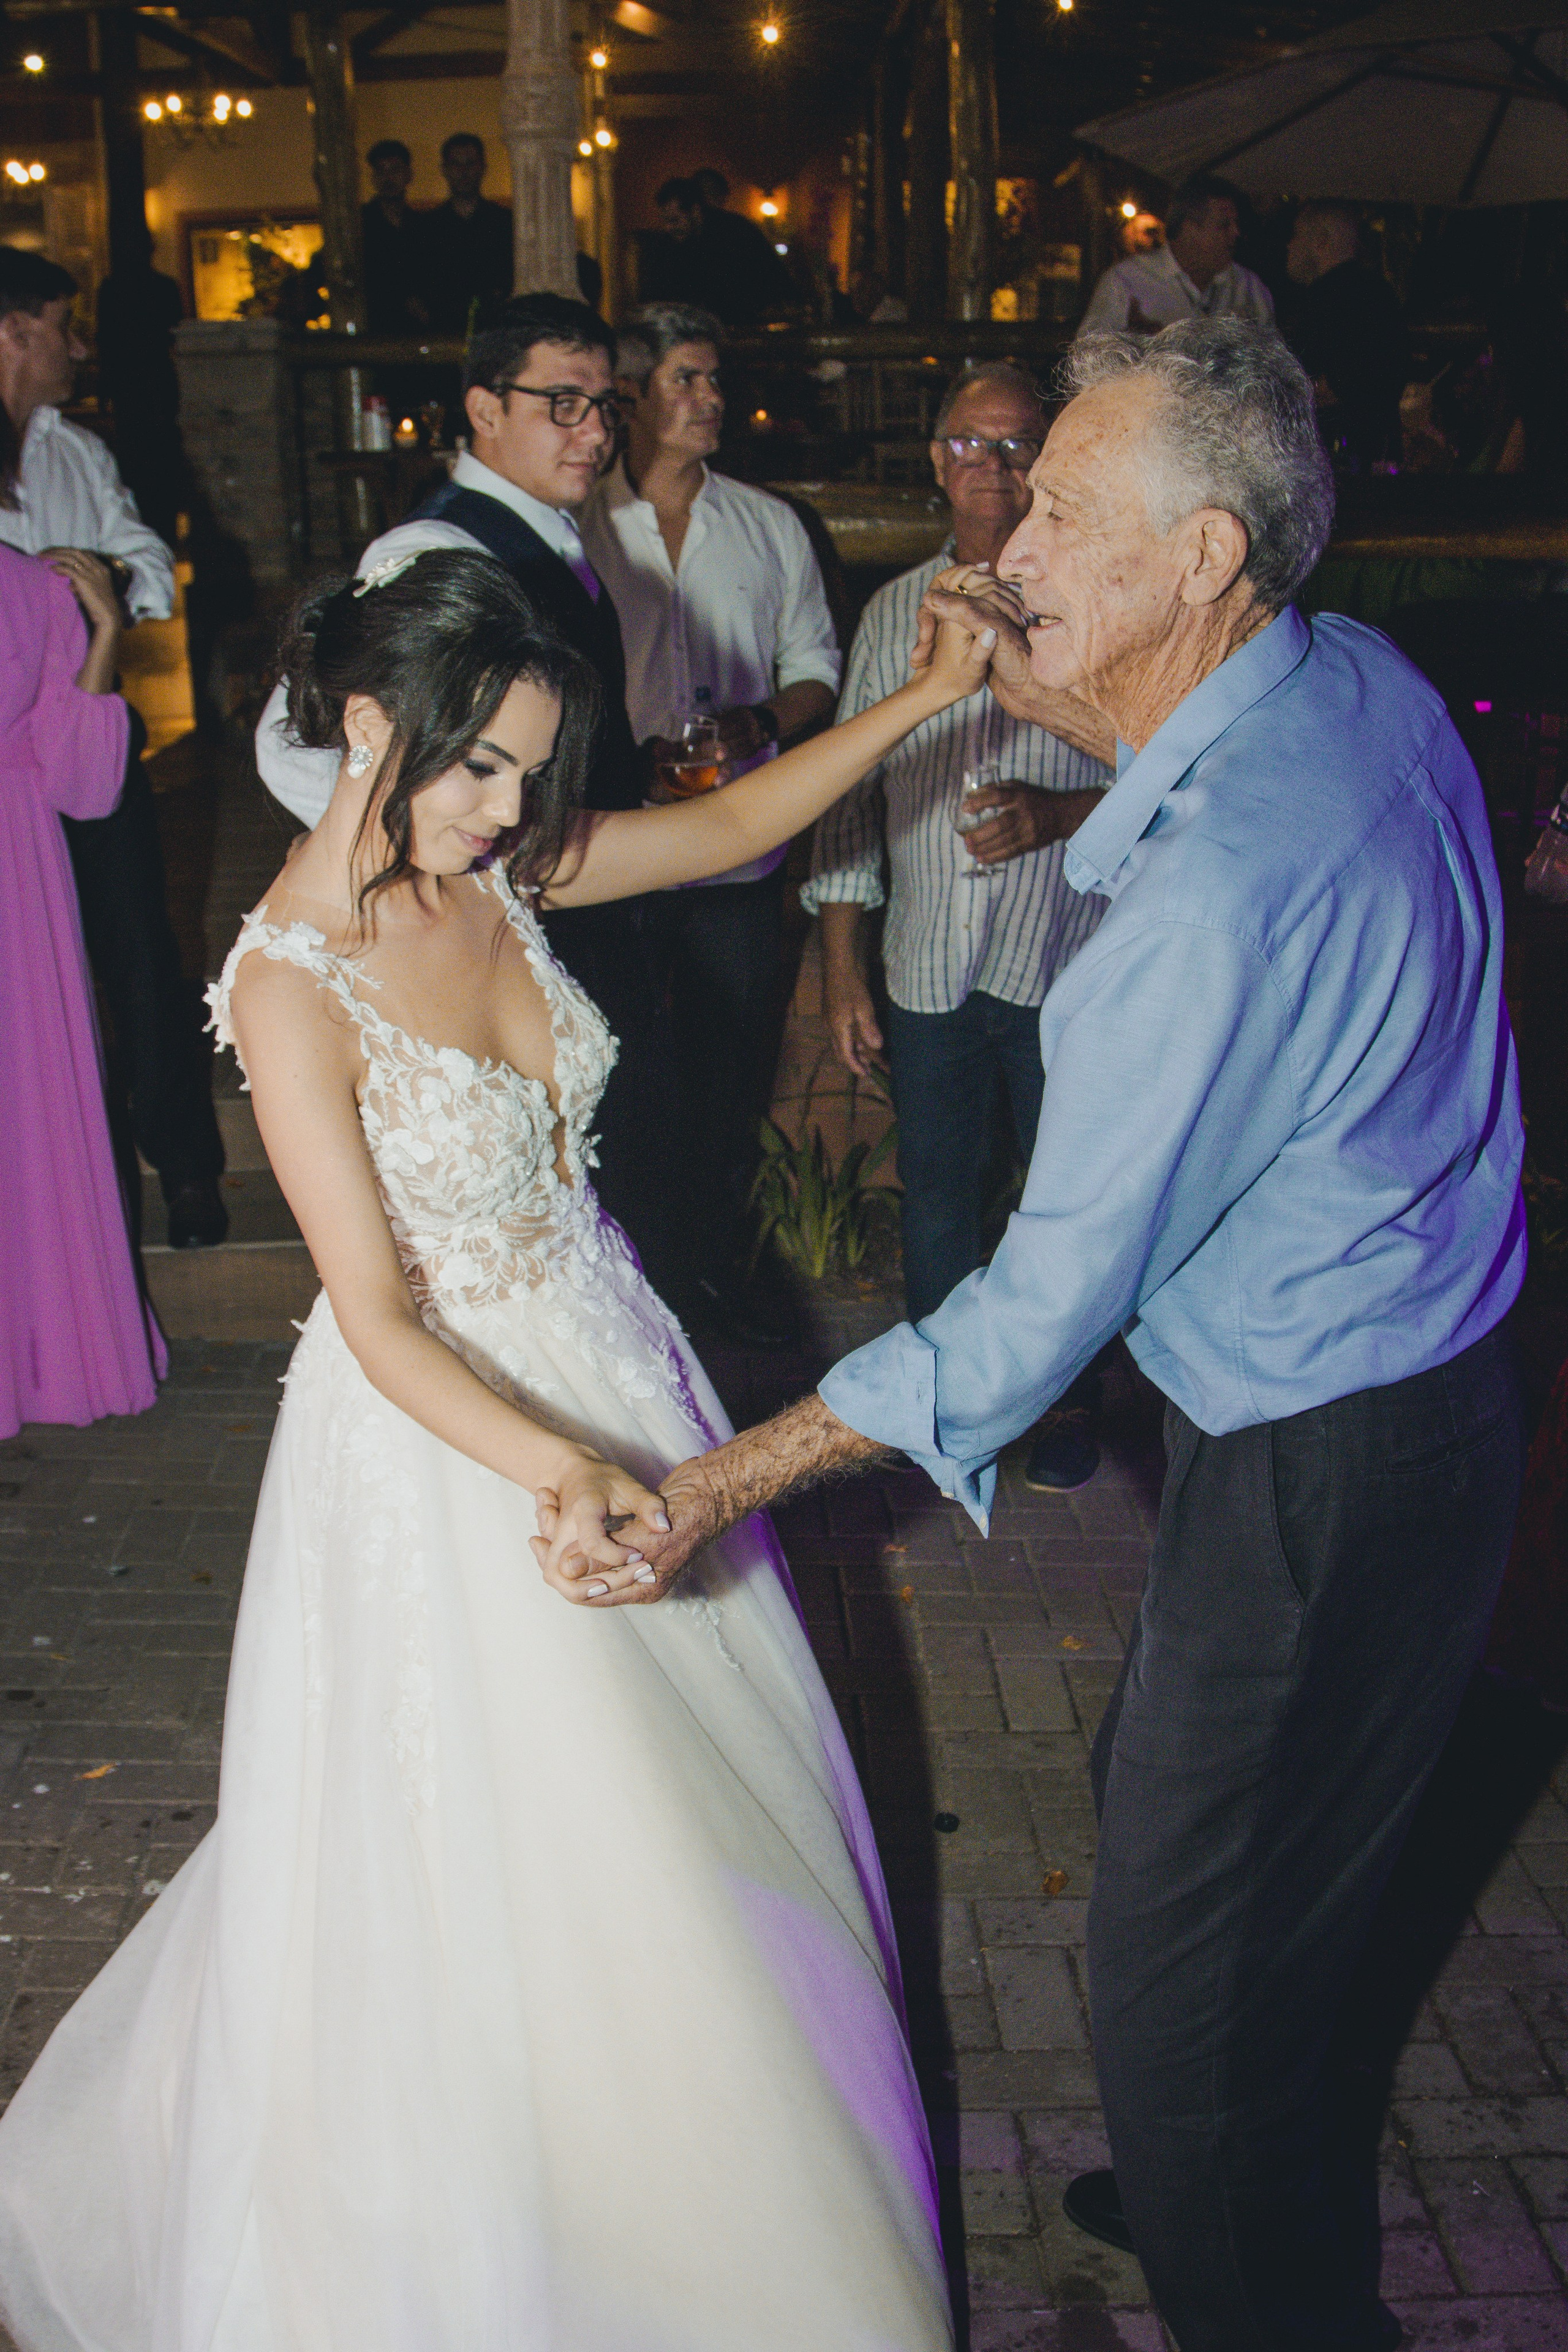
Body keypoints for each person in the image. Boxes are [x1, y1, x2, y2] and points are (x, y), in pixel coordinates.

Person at [577, 320, 1528, 2352]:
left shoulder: (1202, 915)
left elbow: (1017, 1325)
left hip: (1330, 1468)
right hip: (1430, 1392)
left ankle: (1231, 2204)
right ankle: (1243, 2132)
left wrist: (722, 1480)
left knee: (1176, 2017)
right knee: (1180, 1802)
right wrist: (1050, 697)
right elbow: (1211, 780)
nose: (1007, 538)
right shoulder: (1353, 679)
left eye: (1066, 505)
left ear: (1203, 555)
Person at [0, 543, 992, 2348]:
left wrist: (921, 697)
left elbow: (729, 824)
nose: (509, 808)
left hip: (621, 1359)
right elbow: (375, 1315)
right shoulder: (290, 980)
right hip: (450, 1445)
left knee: (690, 1823)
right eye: (478, 764)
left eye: (531, 770)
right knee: (506, 1853)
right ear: (366, 720)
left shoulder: (503, 864)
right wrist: (557, 1467)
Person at [257, 292, 664, 1282]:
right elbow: (290, 741)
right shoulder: (433, 551)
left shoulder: (554, 535)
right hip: (511, 920)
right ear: (484, 406)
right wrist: (441, 868)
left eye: (607, 407)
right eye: (563, 404)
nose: (596, 432)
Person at [804, 362, 1114, 1489]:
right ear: (939, 462)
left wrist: (1057, 814)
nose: (994, 466)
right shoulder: (896, 610)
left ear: (1049, 464)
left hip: (1063, 963)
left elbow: (1163, 773)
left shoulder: (1091, 604)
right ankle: (954, 1410)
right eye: (972, 445)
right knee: (936, 1196)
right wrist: (843, 972)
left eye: (1018, 445)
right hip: (926, 967)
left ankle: (1066, 1404)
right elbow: (848, 801)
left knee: (1064, 1203)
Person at [581, 300, 841, 1342]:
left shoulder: (770, 525)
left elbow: (816, 668)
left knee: (729, 1076)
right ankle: (630, 1288)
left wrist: (759, 721)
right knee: (620, 1076)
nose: (711, 398)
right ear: (633, 394)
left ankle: (711, 1289)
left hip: (739, 853)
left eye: (715, 378)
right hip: (617, 853)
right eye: (686, 378)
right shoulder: (585, 526)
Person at [0, 246, 227, 1250]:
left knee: (140, 953)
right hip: (6, 759)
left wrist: (91, 586)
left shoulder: (75, 451)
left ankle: (185, 1167)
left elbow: (148, 563)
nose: (79, 347)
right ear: (14, 332)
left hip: (87, 734)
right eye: (63, 326)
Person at [0, 540, 165, 1438]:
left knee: (28, 1114)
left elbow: (85, 784)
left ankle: (45, 1358)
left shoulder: (33, 588)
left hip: (14, 881)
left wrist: (103, 629)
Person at [1283, 201, 1408, 472]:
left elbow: (1327, 382)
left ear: (1321, 240)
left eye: (1296, 235)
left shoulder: (1321, 301)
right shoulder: (1383, 294)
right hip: (1382, 452)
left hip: (1331, 457)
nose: (1289, 245)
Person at [1079, 175, 1272, 337]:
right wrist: (1134, 344)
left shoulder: (1248, 286)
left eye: (1236, 224)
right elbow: (1087, 354)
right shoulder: (1125, 281)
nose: (1236, 233)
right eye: (1224, 225)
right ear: (1189, 230)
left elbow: (1275, 358)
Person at [94, 224, 185, 552]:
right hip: (147, 382)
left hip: (140, 383)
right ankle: (156, 533)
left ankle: (153, 533)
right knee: (151, 460)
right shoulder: (157, 287)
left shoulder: (116, 289)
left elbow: (107, 341)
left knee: (147, 460)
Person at [419, 132, 513, 335]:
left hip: (494, 332)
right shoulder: (427, 228)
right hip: (442, 333)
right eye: (456, 165)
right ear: (445, 170)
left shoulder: (504, 223)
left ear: (483, 168)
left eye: (470, 164)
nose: (464, 172)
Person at [361, 137, 431, 338]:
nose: (388, 178)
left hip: (416, 332)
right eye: (381, 171)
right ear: (373, 178)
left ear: (409, 175)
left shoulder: (423, 226)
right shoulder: (360, 225)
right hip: (373, 331)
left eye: (395, 170)